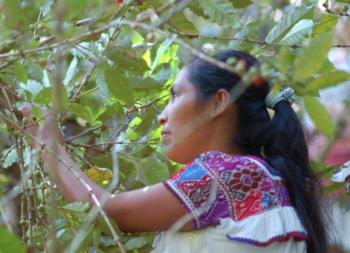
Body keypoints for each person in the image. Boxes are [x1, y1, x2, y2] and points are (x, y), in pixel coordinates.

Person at [24, 50, 328, 253]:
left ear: (218, 103)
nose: (162, 114)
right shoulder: (262, 175)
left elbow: (105, 211)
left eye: (175, 95)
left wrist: (50, 146)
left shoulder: (229, 173)